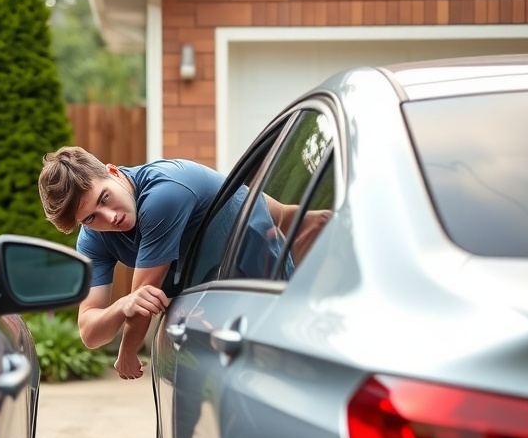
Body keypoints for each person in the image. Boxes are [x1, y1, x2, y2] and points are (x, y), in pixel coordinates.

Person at [37, 146, 326, 380]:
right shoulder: (93, 238)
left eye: (105, 198)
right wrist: (119, 306)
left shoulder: (163, 193)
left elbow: (145, 296)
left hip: (263, 289)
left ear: (114, 172)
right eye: (90, 217)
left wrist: (126, 352)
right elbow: (89, 332)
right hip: (216, 307)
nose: (109, 217)